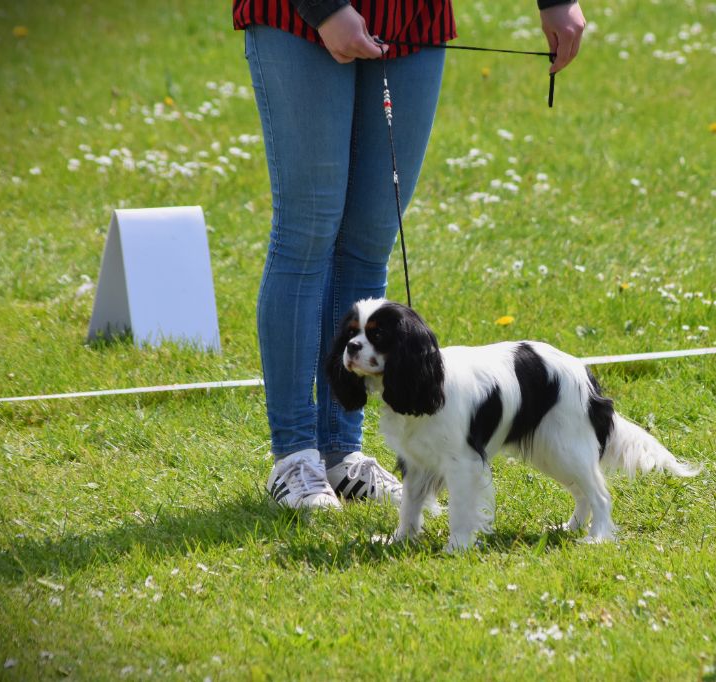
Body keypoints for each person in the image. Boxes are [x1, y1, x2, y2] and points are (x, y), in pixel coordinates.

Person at [233, 0, 586, 509]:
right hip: (299, 17)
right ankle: (294, 456)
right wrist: (327, 9)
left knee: (371, 234)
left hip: (411, 18)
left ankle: (340, 453)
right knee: (306, 229)